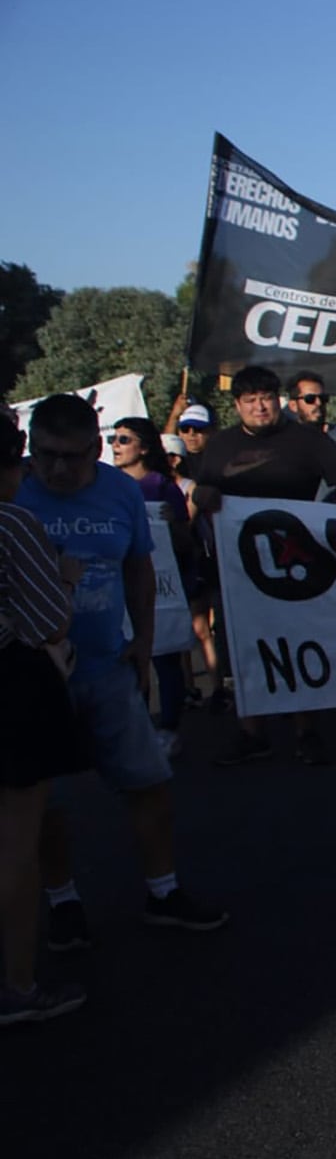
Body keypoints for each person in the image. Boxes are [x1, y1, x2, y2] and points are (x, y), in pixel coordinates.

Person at [19, 395, 228, 951]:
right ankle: (62, 902)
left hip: (107, 662)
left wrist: (144, 640)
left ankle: (164, 892)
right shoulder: (13, 493)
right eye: (46, 456)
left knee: (149, 781)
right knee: (45, 802)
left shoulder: (119, 491)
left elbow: (137, 562)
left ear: (96, 447)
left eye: (71, 456)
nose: (58, 469)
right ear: (29, 449)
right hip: (33, 675)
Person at [193, 366, 336, 766]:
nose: (259, 406)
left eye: (266, 398)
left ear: (278, 400)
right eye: (250, 400)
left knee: (297, 644)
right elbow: (202, 490)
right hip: (239, 567)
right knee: (244, 650)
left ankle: (307, 730)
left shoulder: (305, 439)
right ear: (236, 405)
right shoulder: (219, 445)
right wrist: (203, 496)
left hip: (297, 562)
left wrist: (327, 523)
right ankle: (252, 732)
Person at [0, 409, 87, 1024]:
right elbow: (47, 623)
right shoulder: (13, 523)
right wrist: (65, 580)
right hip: (10, 690)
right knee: (15, 848)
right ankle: (19, 986)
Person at [110, 416, 192, 757]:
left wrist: (172, 525)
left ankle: (168, 728)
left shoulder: (161, 487)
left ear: (143, 448)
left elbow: (185, 541)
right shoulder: (107, 486)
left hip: (162, 585)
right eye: (113, 438)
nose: (115, 444)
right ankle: (140, 727)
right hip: (121, 585)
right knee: (129, 659)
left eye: (124, 439)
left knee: (166, 659)